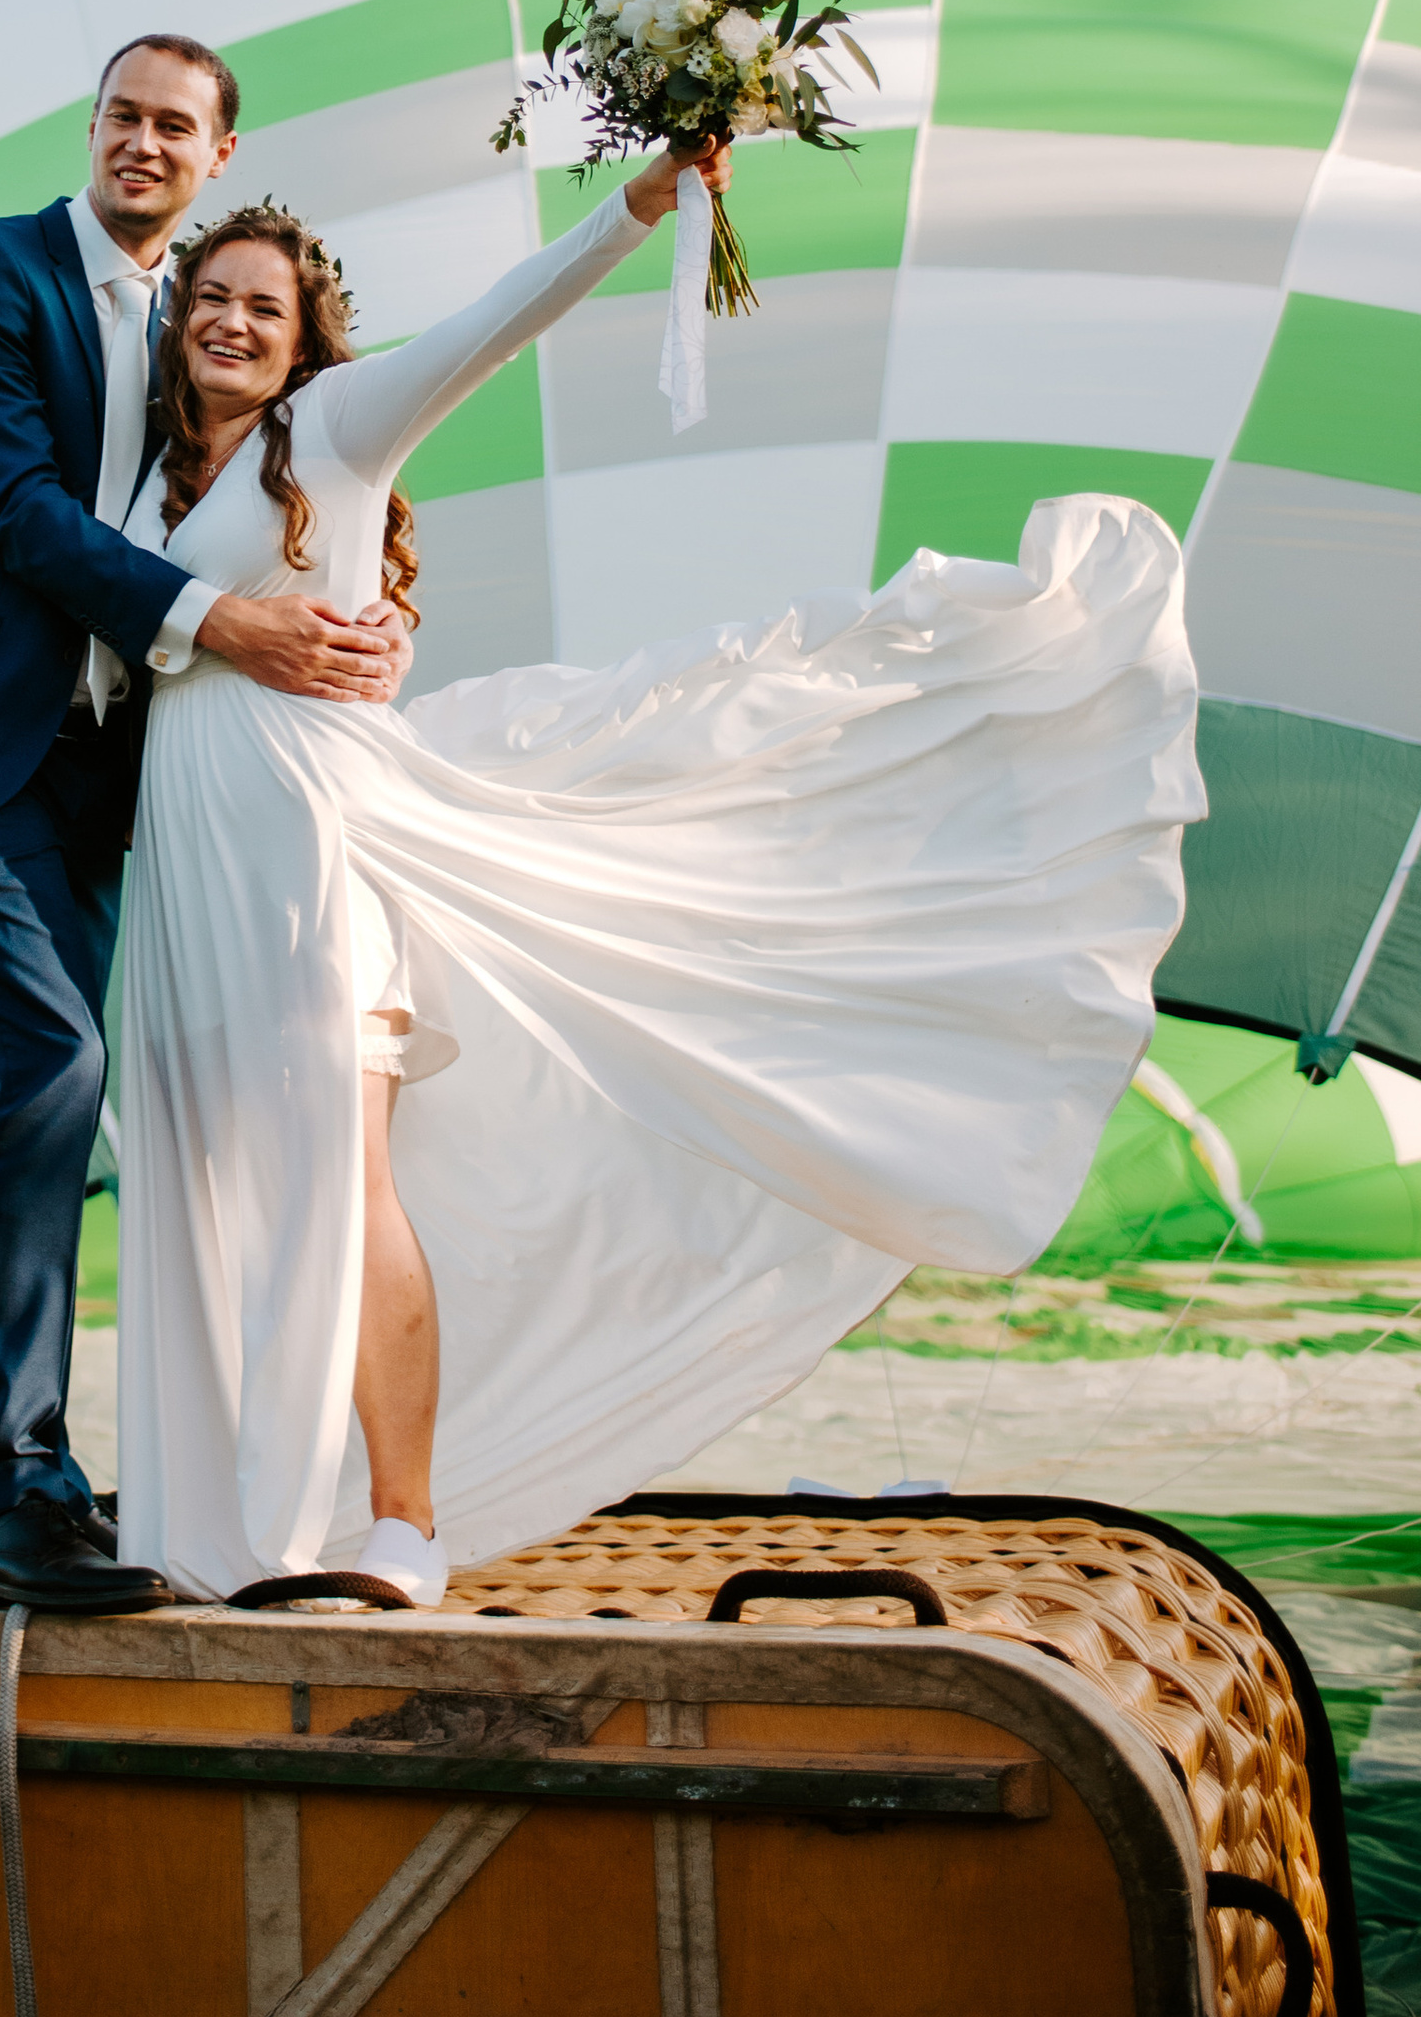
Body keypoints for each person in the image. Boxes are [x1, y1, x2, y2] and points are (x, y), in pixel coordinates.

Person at [114, 142, 1200, 1609]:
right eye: (213, 298)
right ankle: (218, 1523)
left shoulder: (333, 427)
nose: (234, 322)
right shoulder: (149, 479)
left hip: (313, 849)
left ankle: (402, 1525)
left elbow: (493, 323)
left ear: (306, 338)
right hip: (190, 870)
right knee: (211, 1189)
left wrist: (634, 206)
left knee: (346, 1182)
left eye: (266, 305)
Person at [0, 32, 411, 1615]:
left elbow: (281, 496)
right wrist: (228, 625)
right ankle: (3, 1496)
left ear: (218, 156)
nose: (144, 142)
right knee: (51, 1065)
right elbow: (13, 510)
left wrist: (364, 617)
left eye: (175, 126)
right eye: (122, 115)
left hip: (95, 770)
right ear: (92, 128)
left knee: (57, 1088)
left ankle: (62, 1481)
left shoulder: (195, 324)